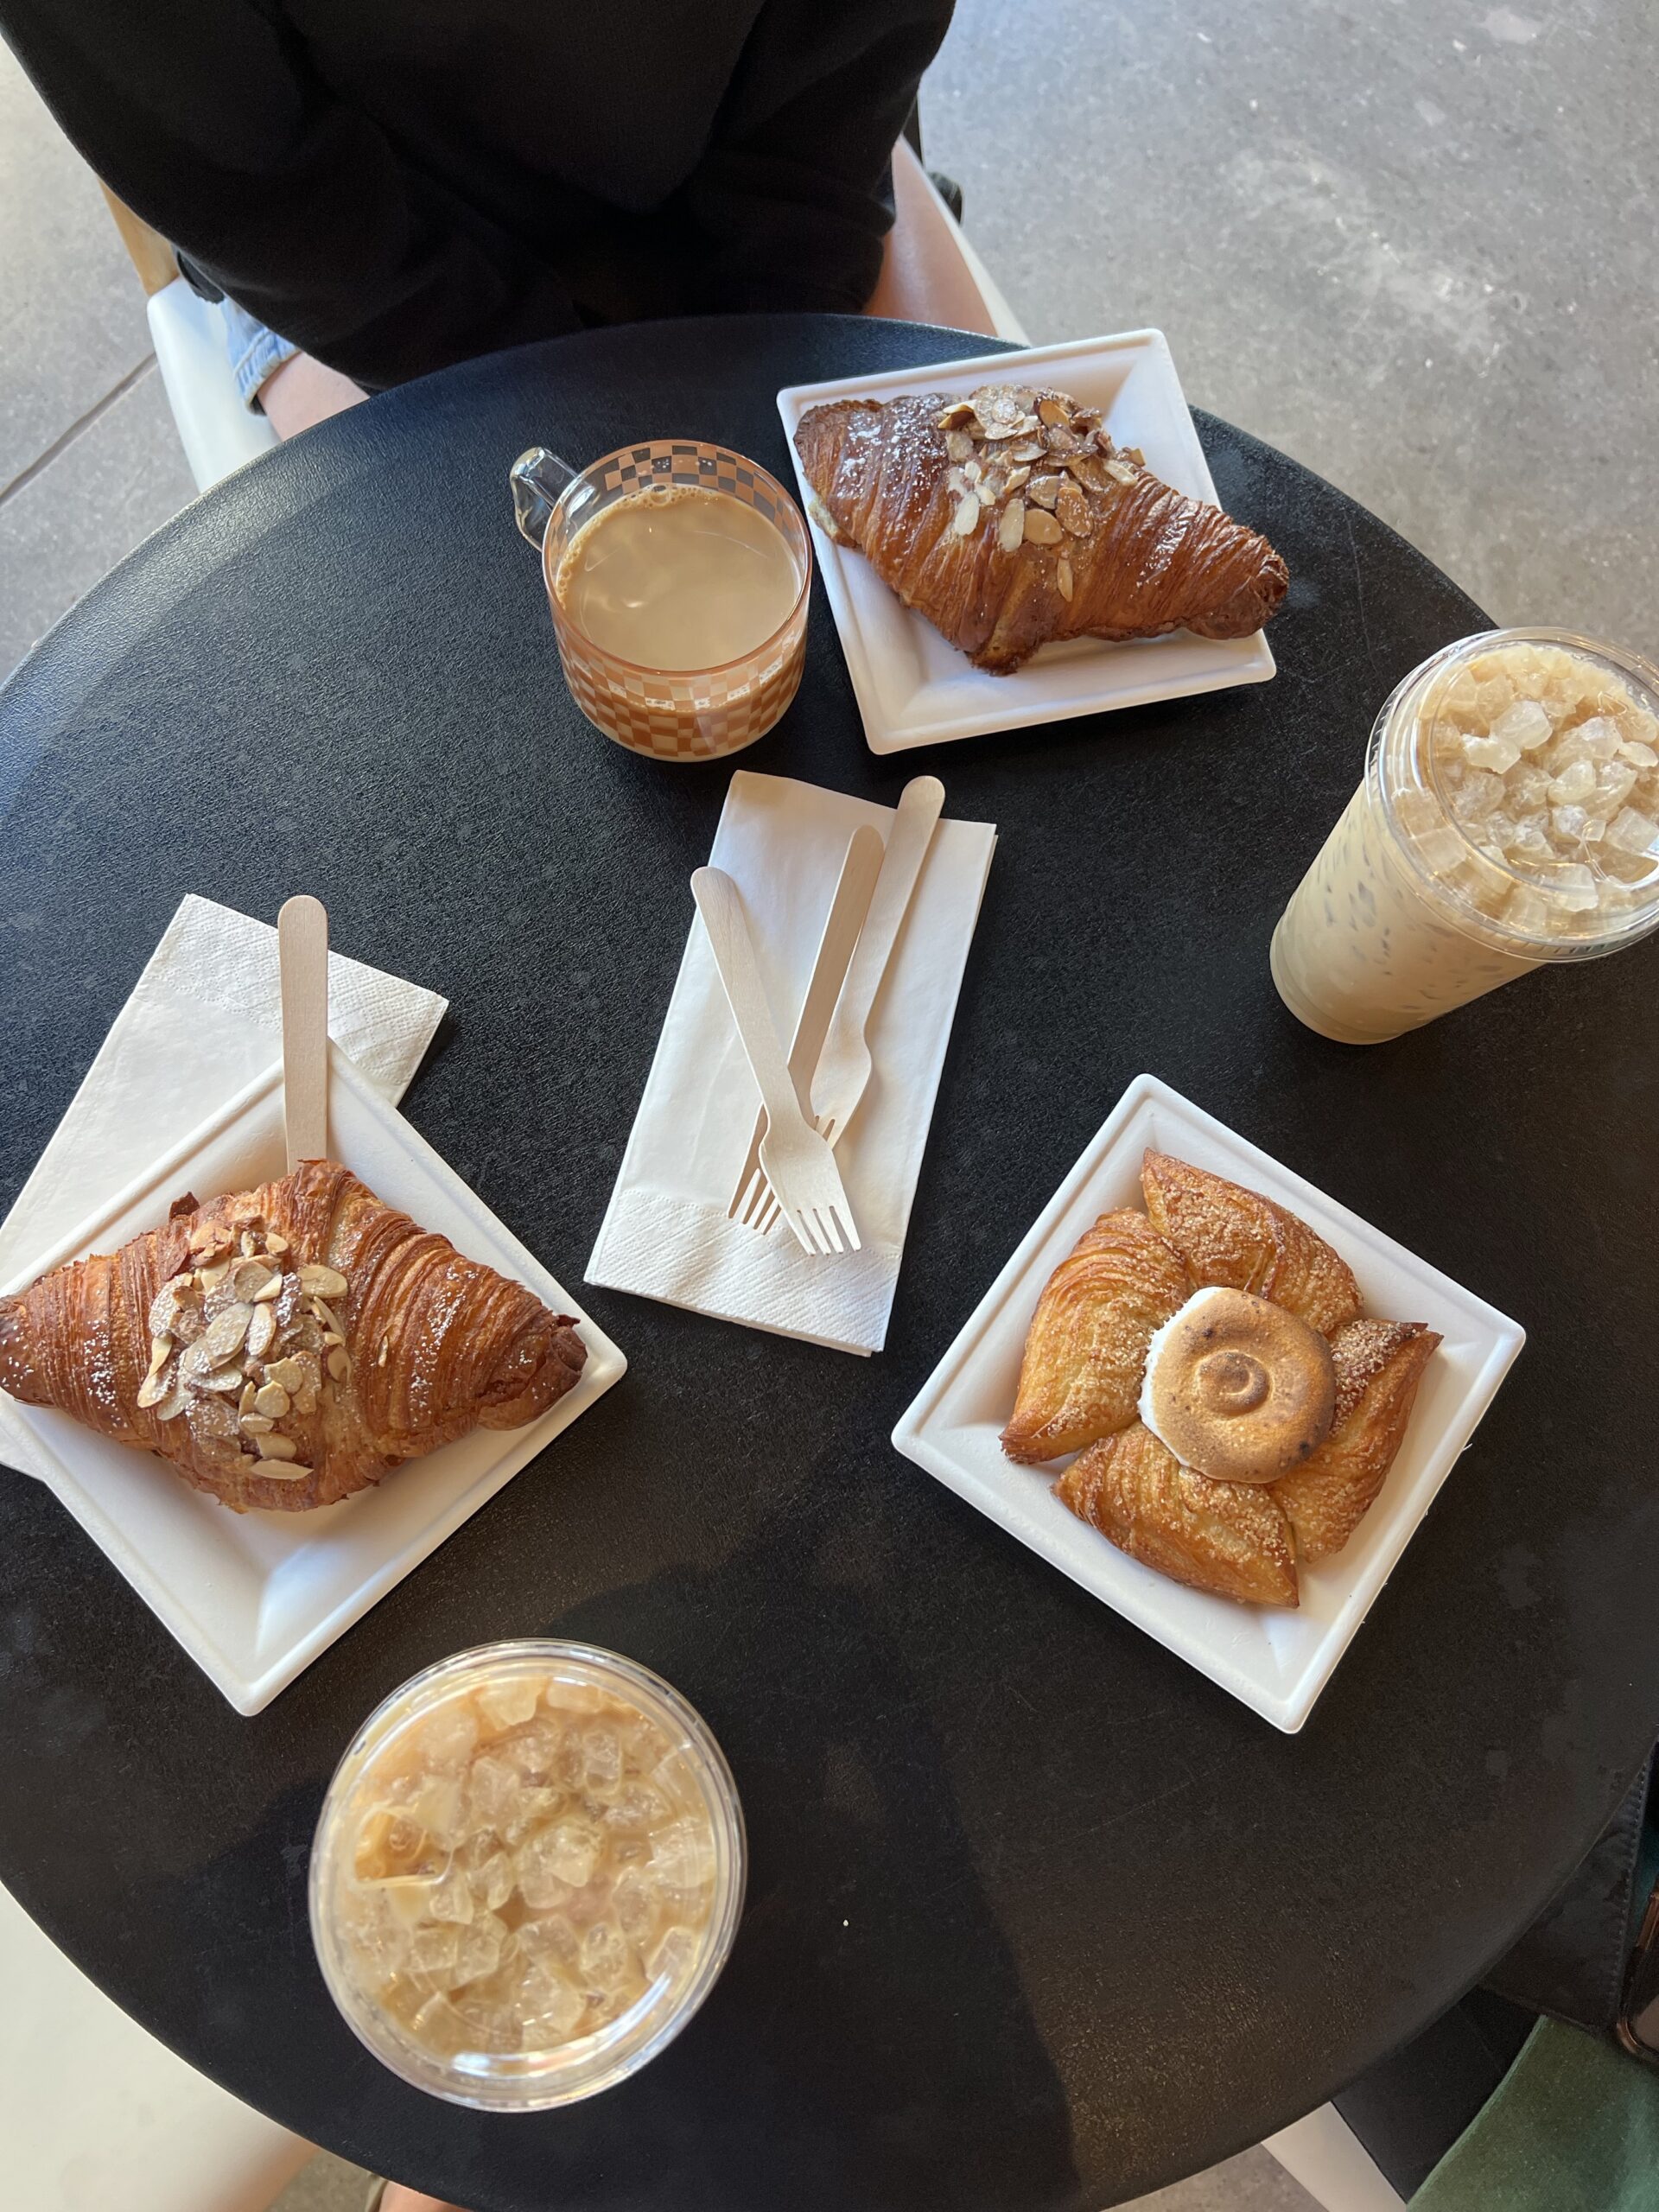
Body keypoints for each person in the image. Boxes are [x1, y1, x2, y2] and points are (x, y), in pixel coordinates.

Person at [0, 0, 992, 437]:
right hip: (364, 256)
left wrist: (787, 283)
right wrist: (543, 397)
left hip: (783, 123)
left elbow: (850, 34)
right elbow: (259, 187)